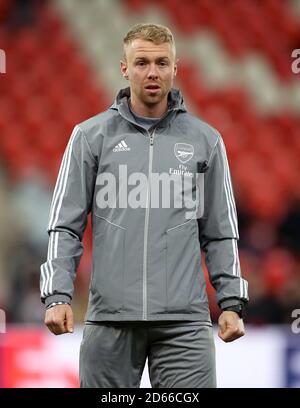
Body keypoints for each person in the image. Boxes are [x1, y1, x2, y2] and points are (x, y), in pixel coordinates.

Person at [40, 23, 249, 388]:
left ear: (175, 67)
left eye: (161, 63)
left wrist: (231, 302)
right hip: (110, 321)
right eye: (141, 63)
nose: (152, 72)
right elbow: (65, 226)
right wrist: (58, 294)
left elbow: (220, 231)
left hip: (184, 324)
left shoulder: (206, 141)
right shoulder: (90, 137)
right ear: (124, 68)